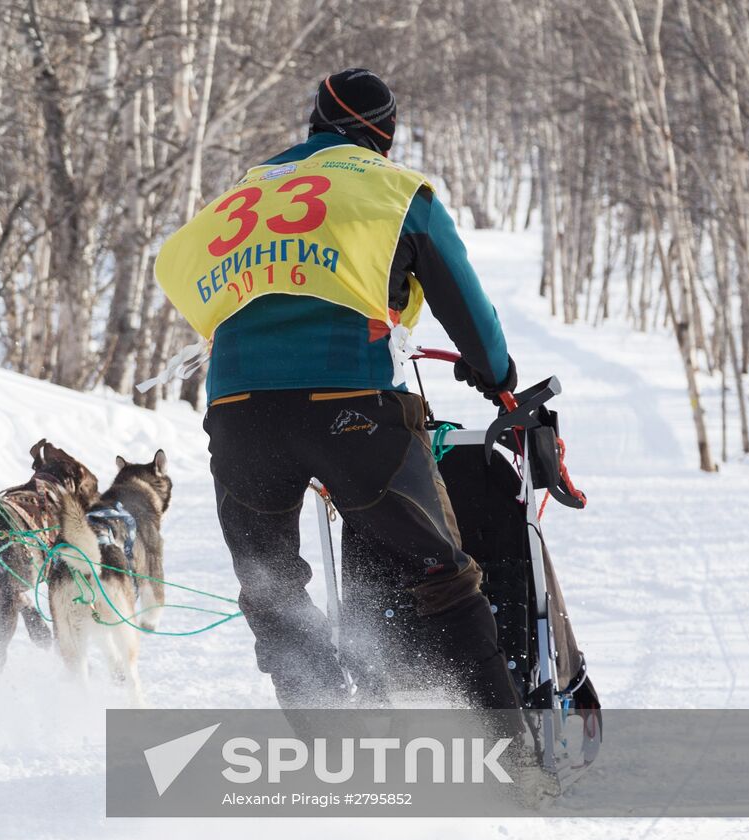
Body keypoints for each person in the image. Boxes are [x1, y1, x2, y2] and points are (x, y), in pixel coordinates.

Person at [180, 69, 521, 711]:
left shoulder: (246, 193)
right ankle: (516, 761)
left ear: (311, 127)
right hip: (350, 405)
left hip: (235, 410)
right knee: (443, 573)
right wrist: (495, 374)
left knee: (271, 588)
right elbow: (468, 312)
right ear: (384, 138)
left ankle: (328, 750)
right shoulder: (393, 192)